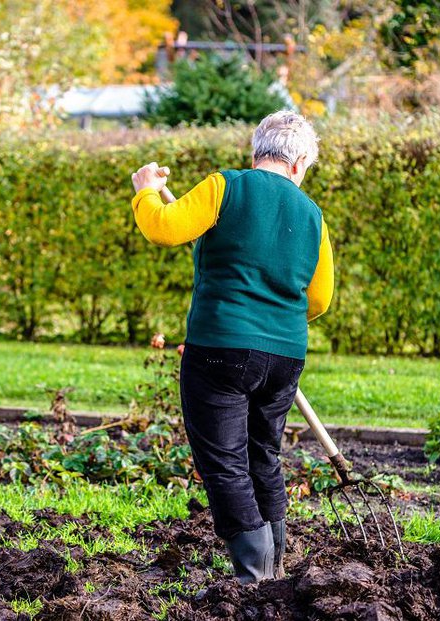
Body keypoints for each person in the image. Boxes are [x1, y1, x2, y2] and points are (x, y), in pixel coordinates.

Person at [129, 110, 334, 583]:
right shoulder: (312, 215)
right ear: (300, 163)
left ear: (256, 149)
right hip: (285, 355)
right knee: (264, 455)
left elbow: (163, 227)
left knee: (224, 463)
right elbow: (319, 299)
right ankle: (276, 568)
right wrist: (274, 319)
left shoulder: (226, 186)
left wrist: (144, 188)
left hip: (220, 346)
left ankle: (254, 578)